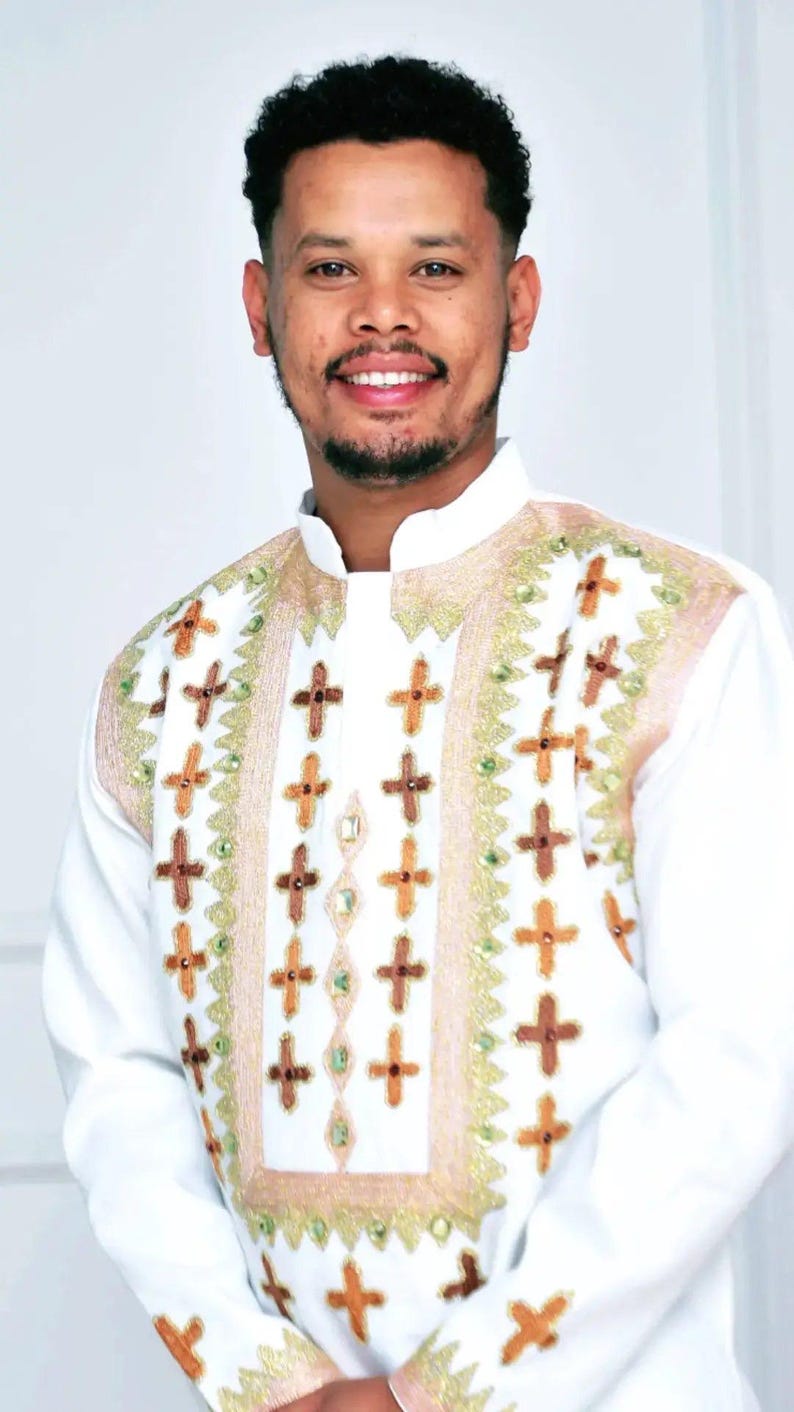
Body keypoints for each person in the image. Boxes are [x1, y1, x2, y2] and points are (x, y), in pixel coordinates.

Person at [41, 51, 794, 1412]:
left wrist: (445, 1391)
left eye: (434, 270)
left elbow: (738, 1057)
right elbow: (115, 1075)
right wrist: (267, 1377)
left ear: (516, 299)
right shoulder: (164, 679)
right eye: (330, 271)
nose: (381, 318)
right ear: (260, 309)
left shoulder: (681, 627)